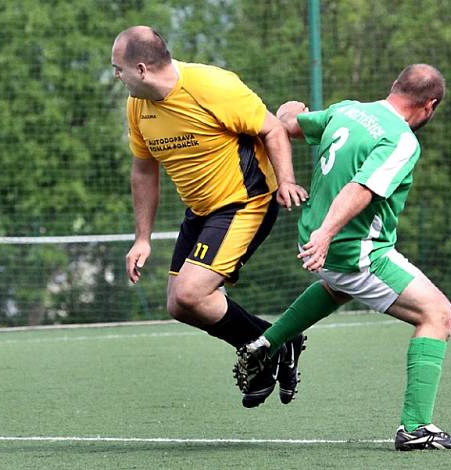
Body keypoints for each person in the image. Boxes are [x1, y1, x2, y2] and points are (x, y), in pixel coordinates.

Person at [234, 64, 451, 450]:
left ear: (394, 86)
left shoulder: (346, 110)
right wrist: (327, 234)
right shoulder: (401, 140)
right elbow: (362, 188)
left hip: (318, 244)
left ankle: (268, 342)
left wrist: (289, 108)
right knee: (438, 315)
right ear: (430, 105)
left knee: (338, 287)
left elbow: (289, 124)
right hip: (354, 251)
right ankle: (416, 428)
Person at [111, 26, 308, 408]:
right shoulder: (138, 105)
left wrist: (286, 181)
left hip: (245, 201)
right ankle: (276, 343)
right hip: (201, 211)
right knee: (178, 304)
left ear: (141, 68)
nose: (115, 76)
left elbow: (272, 128)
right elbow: (143, 170)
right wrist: (142, 238)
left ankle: (268, 349)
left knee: (191, 291)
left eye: (118, 69)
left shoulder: (212, 86)